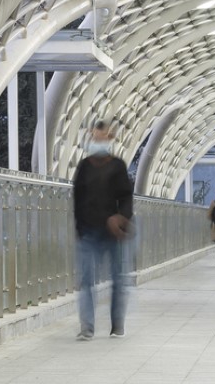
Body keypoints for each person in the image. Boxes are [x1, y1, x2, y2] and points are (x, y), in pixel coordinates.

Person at [70, 121, 133, 339]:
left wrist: (121, 218)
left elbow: (126, 197)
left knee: (118, 279)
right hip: (88, 231)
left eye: (102, 138)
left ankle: (117, 325)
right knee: (86, 280)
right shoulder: (84, 166)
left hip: (112, 233)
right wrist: (78, 228)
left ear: (110, 139)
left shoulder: (118, 166)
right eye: (96, 138)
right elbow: (77, 198)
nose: (98, 142)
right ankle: (86, 328)